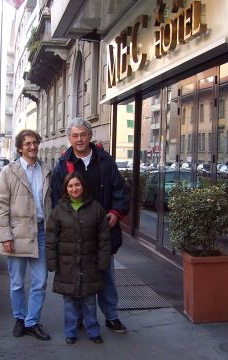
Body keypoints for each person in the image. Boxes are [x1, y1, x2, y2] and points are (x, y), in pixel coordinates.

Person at [51, 117, 130, 333]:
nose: (79, 139)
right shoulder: (62, 165)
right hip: (74, 235)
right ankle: (77, 319)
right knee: (76, 277)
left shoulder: (105, 161)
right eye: (75, 135)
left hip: (102, 233)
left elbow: (120, 191)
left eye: (83, 134)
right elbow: (57, 201)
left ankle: (111, 316)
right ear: (69, 138)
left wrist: (115, 213)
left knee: (106, 277)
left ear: (90, 136)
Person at [0, 129, 52, 341]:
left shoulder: (46, 170)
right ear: (20, 148)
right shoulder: (9, 172)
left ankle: (32, 321)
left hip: (41, 233)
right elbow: (0, 207)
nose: (33, 146)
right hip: (16, 235)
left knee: (40, 281)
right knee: (17, 282)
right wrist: (5, 236)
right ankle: (19, 318)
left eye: (35, 142)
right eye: (28, 143)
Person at [46, 171, 111, 344]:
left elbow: (104, 238)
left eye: (77, 185)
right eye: (70, 186)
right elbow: (51, 238)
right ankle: (71, 332)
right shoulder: (58, 211)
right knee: (69, 302)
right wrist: (51, 261)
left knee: (90, 301)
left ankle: (93, 331)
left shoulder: (96, 208)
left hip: (89, 264)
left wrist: (103, 261)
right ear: (66, 189)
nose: (74, 189)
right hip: (67, 265)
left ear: (83, 186)